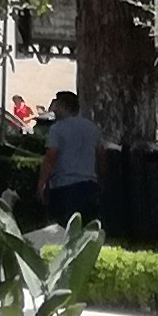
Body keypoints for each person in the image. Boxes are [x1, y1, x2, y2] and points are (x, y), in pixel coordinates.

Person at [33, 86, 103, 225]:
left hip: (64, 187)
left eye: (56, 104)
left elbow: (51, 157)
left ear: (63, 106)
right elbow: (100, 155)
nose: (54, 108)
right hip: (89, 186)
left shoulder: (57, 129)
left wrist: (41, 183)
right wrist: (100, 179)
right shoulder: (92, 127)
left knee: (63, 228)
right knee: (86, 228)